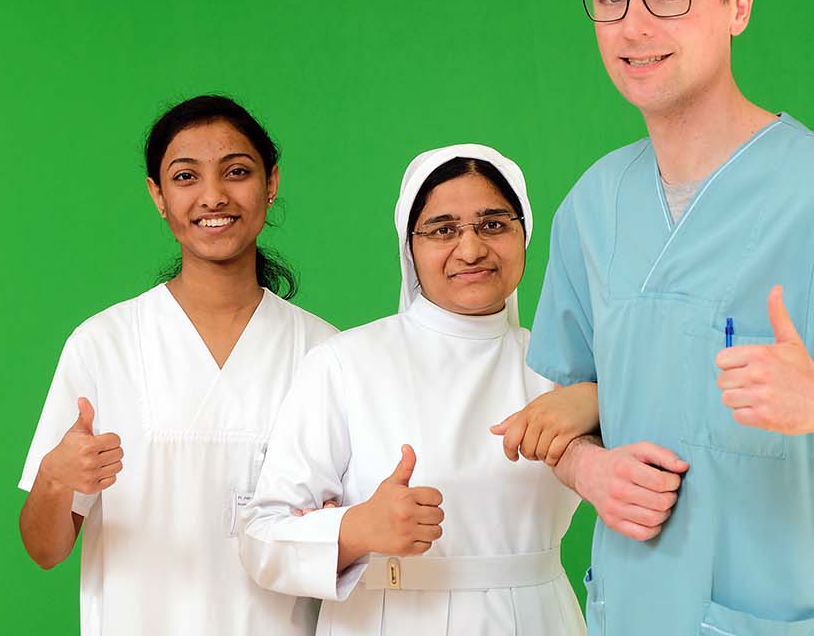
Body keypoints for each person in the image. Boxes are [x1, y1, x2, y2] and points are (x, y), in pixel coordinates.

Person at [511, 0, 814, 635]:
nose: (635, 24)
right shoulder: (593, 205)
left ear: (736, 4)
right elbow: (570, 407)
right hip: (630, 609)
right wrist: (587, 467)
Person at [17, 94, 338, 635]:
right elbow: (46, 550)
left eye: (236, 172)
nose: (213, 196)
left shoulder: (323, 353)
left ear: (271, 183)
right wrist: (54, 478)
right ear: (158, 196)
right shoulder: (103, 344)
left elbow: (346, 546)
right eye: (186, 176)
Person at [240, 144, 591, 634]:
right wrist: (356, 529)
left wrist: (596, 400)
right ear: (410, 247)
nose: (470, 249)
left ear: (524, 233)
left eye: (493, 224)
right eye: (443, 229)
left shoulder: (564, 371)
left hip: (537, 619)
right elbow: (261, 539)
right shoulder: (346, 363)